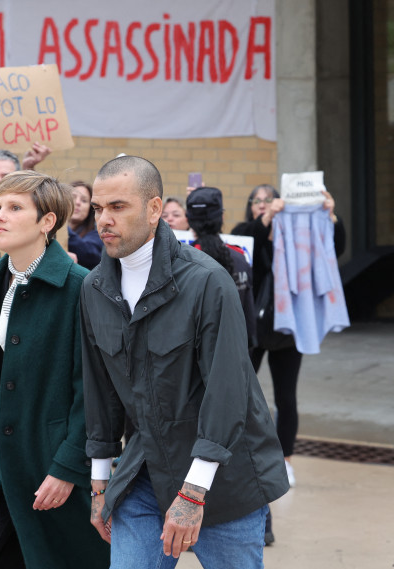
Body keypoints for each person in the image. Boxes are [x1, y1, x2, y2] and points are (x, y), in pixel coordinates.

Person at [82, 156, 289, 568]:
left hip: (223, 478)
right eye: (98, 208)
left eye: (118, 207)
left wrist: (194, 492)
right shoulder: (95, 288)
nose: (104, 219)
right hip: (144, 470)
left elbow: (228, 393)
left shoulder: (207, 282)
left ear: (155, 209)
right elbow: (99, 391)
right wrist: (100, 481)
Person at [0, 171, 110, 569]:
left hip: (47, 470)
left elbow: (93, 393)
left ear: (47, 221)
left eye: (14, 208)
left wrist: (69, 467)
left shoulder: (80, 289)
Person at [231, 183, 344, 543]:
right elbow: (244, 241)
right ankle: (242, 453)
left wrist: (330, 216)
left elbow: (333, 248)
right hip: (254, 328)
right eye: (257, 202)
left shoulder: (297, 232)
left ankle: (286, 461)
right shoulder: (245, 233)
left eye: (269, 200)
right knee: (243, 393)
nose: (262, 205)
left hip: (288, 327)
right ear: (250, 207)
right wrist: (267, 221)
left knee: (286, 397)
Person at [186, 187, 255, 345]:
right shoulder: (240, 258)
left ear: (189, 220)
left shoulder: (180, 262)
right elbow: (249, 320)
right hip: (235, 350)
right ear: (222, 217)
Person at [67, 180, 103, 269]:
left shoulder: (97, 235)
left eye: (84, 200)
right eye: (73, 197)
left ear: (90, 209)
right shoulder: (48, 232)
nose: (78, 202)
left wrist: (61, 226)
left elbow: (88, 253)